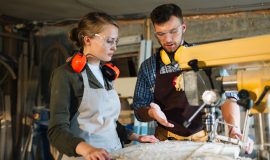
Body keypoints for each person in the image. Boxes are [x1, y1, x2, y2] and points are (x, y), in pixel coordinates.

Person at [132, 3, 254, 154]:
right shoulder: (148, 67)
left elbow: (228, 97)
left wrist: (233, 128)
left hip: (203, 139)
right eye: (161, 34)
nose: (168, 39)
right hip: (165, 141)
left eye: (173, 31)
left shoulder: (206, 59)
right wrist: (151, 112)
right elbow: (139, 108)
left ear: (183, 28)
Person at [48, 12, 158, 160]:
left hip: (114, 153)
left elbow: (107, 121)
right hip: (85, 156)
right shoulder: (66, 75)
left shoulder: (106, 74)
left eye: (116, 42)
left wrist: (135, 136)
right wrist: (88, 150)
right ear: (87, 39)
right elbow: (56, 131)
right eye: (109, 41)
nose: (114, 47)